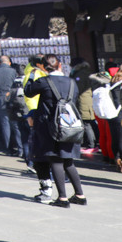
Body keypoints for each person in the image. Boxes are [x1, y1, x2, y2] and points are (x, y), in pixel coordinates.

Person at [24, 54, 86, 208]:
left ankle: (63, 198)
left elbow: (28, 91)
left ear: (44, 67)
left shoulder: (43, 81)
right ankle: (80, 195)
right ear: (60, 65)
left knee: (55, 159)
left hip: (49, 126)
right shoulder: (72, 82)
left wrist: (32, 75)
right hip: (69, 124)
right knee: (68, 161)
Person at [0, 54, 21, 155]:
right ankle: (20, 148)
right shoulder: (14, 72)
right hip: (13, 98)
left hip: (0, 99)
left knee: (5, 124)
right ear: (9, 63)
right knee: (16, 124)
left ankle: (8, 148)